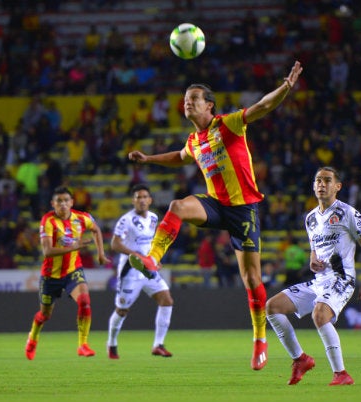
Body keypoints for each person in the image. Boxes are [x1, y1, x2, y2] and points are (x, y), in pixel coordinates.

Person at [127, 61, 304, 371]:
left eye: (194, 98)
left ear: (209, 105)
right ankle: (152, 259)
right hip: (215, 204)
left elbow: (262, 106)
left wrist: (285, 88)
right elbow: (179, 157)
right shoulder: (194, 141)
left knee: (251, 280)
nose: (187, 102)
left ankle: (260, 339)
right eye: (185, 98)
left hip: (243, 210)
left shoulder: (229, 124)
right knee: (177, 207)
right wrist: (149, 158)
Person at [265, 167, 361, 386]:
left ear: (337, 186)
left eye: (327, 180)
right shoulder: (311, 218)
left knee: (320, 314)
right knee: (272, 307)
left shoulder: (348, 213)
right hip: (320, 281)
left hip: (342, 279)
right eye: (318, 180)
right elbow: (314, 249)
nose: (321, 184)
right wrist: (312, 261)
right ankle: (300, 359)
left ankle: (341, 373)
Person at [24, 186, 110, 360]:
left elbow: (96, 230)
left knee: (85, 300)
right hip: (50, 276)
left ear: (72, 202)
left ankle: (83, 345)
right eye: (59, 201)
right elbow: (47, 251)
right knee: (45, 315)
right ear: (53, 203)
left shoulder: (82, 218)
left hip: (72, 271)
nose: (63, 204)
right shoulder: (48, 221)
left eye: (66, 201)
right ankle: (33, 337)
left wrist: (101, 254)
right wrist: (73, 247)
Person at [107, 184, 174, 359]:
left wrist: (153, 260)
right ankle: (112, 344)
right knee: (122, 310)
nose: (142, 200)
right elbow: (115, 244)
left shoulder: (153, 218)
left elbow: (151, 243)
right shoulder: (126, 220)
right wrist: (137, 256)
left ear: (150, 200)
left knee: (166, 300)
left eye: (145, 197)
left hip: (148, 269)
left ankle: (158, 345)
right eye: (138, 197)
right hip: (131, 271)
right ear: (133, 201)